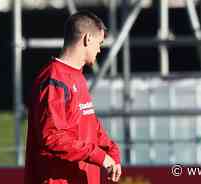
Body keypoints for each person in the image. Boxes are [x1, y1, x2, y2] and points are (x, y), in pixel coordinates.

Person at [24, 11, 121, 184]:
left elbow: (89, 124)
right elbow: (53, 137)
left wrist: (111, 151)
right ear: (87, 39)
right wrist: (100, 156)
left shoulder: (78, 77)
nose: (99, 49)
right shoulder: (53, 79)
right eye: (99, 43)